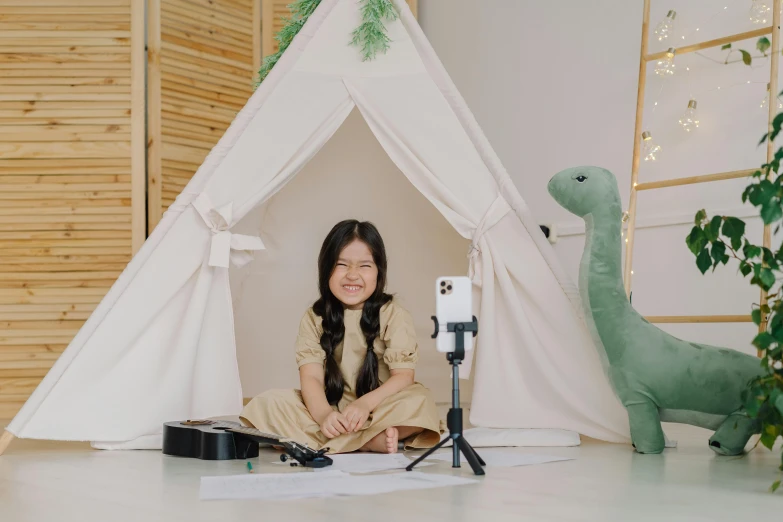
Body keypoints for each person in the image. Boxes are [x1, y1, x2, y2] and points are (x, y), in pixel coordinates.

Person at [240, 220, 442, 454]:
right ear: (326, 269)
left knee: (420, 401)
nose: (352, 275)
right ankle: (366, 441)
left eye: (364, 266)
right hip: (329, 410)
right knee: (268, 404)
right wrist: (326, 415)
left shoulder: (393, 313)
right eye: (341, 264)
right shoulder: (314, 317)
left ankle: (329, 441)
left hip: (380, 408)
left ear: (379, 271)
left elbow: (403, 377)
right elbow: (311, 379)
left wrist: (365, 404)